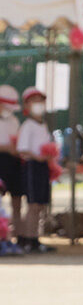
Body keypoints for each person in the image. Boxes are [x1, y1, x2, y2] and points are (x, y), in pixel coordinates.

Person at [13, 87, 55, 254]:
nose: (39, 103)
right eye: (34, 100)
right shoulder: (28, 125)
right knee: (32, 204)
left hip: (42, 167)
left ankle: (34, 239)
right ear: (27, 104)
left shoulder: (43, 124)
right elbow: (22, 149)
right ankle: (27, 239)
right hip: (32, 166)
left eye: (41, 100)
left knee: (39, 206)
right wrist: (38, 157)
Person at [0, 86, 24, 235]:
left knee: (17, 200)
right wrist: (5, 148)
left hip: (13, 163)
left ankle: (18, 234)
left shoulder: (14, 120)